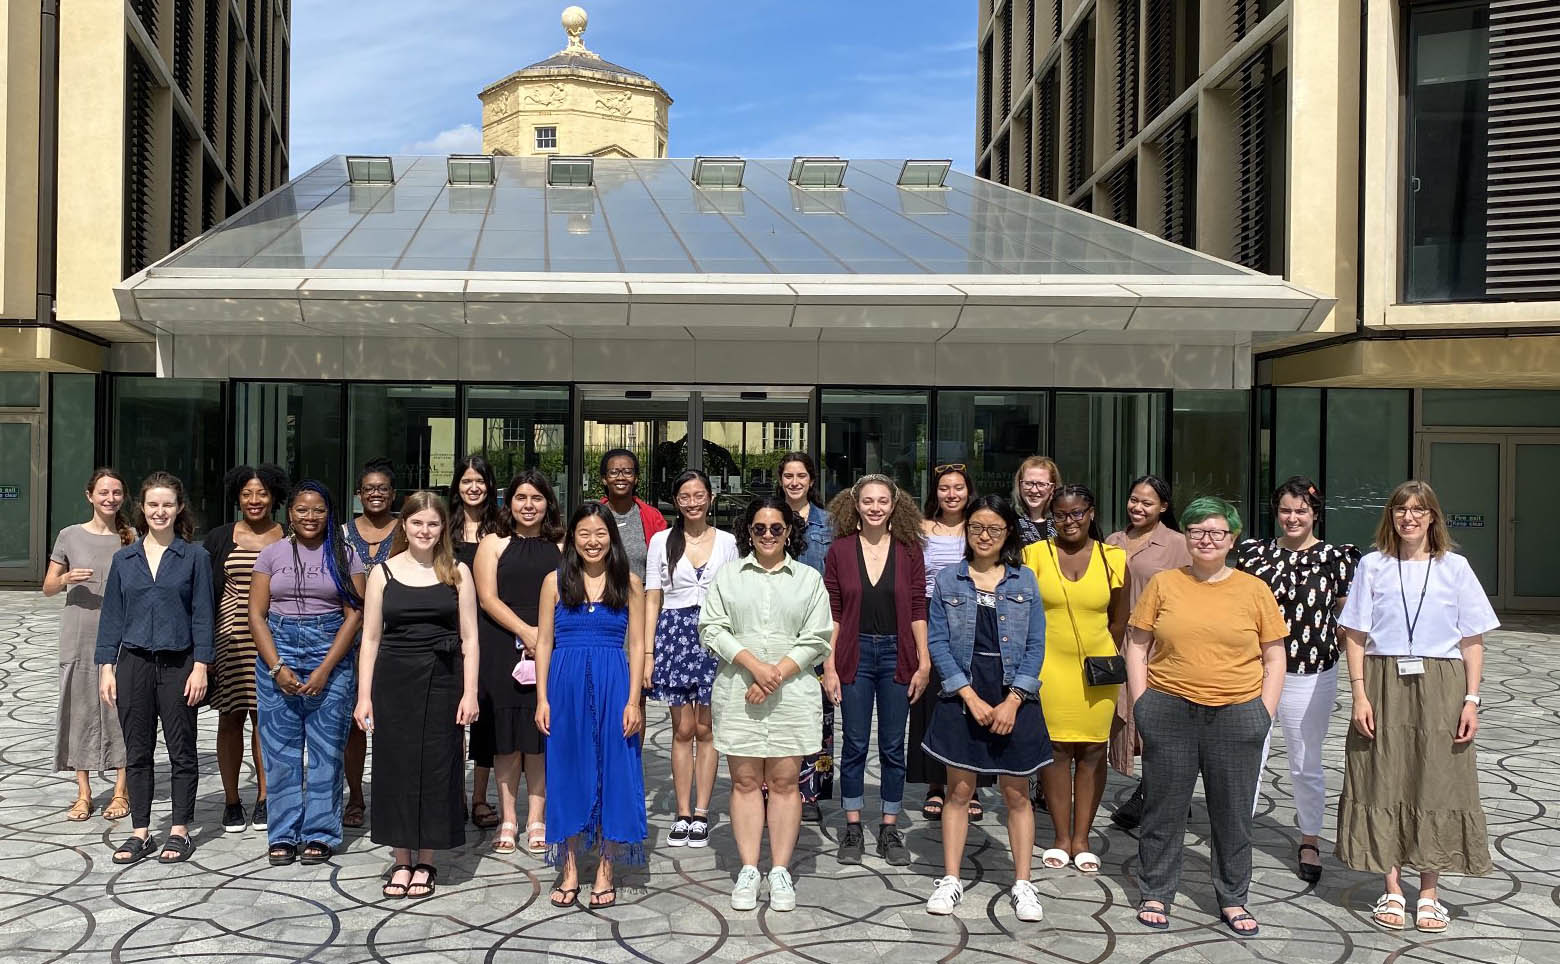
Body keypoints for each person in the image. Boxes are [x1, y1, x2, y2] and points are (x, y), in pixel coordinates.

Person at [1337, 480, 1497, 934]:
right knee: (1382, 778)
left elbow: (1472, 640)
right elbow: (1355, 635)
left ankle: (1429, 891)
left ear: (1432, 517)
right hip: (1383, 680)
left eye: (1418, 510)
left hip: (1442, 684)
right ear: (1391, 516)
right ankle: (1392, 887)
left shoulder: (1456, 567)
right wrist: (1360, 694)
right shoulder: (1372, 565)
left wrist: (1471, 699)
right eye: (1401, 510)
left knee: (1437, 782)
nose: (1409, 517)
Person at [1125, 497, 1287, 936]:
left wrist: (1262, 714)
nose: (1207, 539)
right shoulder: (1165, 584)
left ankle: (1233, 897)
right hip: (1170, 708)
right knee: (1164, 808)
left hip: (1237, 714)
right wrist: (1143, 705)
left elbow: (1275, 656)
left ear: (1232, 539)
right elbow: (1137, 645)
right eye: (1198, 531)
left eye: (1217, 532)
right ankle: (1156, 890)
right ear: (1188, 536)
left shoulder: (1254, 590)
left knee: (1232, 813)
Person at [699, 496, 833, 911]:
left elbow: (817, 637)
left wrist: (775, 674)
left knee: (785, 783)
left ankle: (779, 870)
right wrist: (755, 666)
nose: (769, 535)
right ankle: (748, 868)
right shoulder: (728, 576)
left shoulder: (809, 579)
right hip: (740, 691)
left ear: (790, 531)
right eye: (760, 528)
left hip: (791, 695)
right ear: (749, 532)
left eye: (777, 528)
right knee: (743, 782)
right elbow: (712, 627)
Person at [921, 495, 1050, 923]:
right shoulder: (948, 580)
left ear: (1008, 532)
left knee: (1017, 793)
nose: (984, 535)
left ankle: (1023, 883)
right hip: (964, 693)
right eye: (976, 527)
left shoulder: (1025, 580)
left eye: (994, 528)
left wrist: (1014, 701)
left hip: (1015, 692)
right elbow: (938, 642)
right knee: (959, 790)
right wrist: (969, 696)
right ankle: (951, 878)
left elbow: (1035, 646)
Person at [353, 491, 480, 899]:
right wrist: (364, 696)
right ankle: (401, 858)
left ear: (444, 528)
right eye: (417, 522)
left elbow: (470, 639)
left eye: (433, 523)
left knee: (438, 767)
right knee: (395, 768)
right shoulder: (382, 573)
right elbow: (370, 639)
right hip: (393, 681)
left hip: (444, 679)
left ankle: (426, 859)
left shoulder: (457, 571)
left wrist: (470, 692)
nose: (425, 530)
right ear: (404, 526)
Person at [1234, 476, 1359, 884]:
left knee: (1306, 760)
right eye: (1286, 510)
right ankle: (1237, 836)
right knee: (1249, 754)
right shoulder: (1254, 554)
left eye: (1301, 510)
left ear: (1315, 514)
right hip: (1254, 671)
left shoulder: (1337, 558)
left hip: (1311, 672)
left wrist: (1345, 656)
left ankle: (1309, 837)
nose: (1292, 517)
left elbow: (1348, 618)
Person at [95, 471, 213, 865]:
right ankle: (140, 831)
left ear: (179, 508)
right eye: (152, 504)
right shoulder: (124, 559)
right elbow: (111, 615)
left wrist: (201, 666)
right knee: (138, 751)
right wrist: (105, 667)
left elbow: (202, 615)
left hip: (180, 663)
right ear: (141, 509)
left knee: (182, 749)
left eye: (167, 504)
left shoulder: (194, 556)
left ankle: (179, 830)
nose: (159, 511)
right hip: (134, 663)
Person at [535, 504, 647, 910]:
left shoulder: (629, 581)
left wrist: (634, 700)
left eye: (600, 533)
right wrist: (542, 697)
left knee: (614, 770)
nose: (593, 541)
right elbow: (544, 642)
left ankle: (605, 869)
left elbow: (636, 645)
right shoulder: (554, 581)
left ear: (612, 538)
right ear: (571, 538)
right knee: (566, 771)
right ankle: (567, 868)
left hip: (614, 680)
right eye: (584, 533)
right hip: (564, 683)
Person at [250, 481, 367, 865]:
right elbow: (256, 614)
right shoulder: (271, 554)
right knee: (280, 751)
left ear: (330, 514)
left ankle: (319, 833)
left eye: (318, 510)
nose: (310, 517)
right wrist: (276, 666)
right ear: (290, 513)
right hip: (278, 649)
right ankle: (282, 834)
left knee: (325, 751)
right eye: (302, 509)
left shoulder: (345, 555)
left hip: (330, 651)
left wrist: (324, 670)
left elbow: (356, 614)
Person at [822, 474, 930, 867]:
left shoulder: (909, 549)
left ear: (894, 504)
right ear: (855, 504)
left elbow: (918, 606)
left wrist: (924, 660)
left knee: (891, 748)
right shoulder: (839, 551)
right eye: (867, 501)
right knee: (853, 746)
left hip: (897, 655)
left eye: (882, 501)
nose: (875, 507)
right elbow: (833, 611)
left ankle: (888, 825)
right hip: (855, 653)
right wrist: (829, 664)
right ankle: (852, 825)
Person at [1024, 484, 1126, 875]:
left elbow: (1119, 617)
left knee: (1093, 750)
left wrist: (1105, 657)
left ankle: (1082, 838)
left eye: (1077, 513)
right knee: (1056, 749)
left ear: (1091, 513)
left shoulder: (1113, 557)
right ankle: (1059, 837)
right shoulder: (1034, 554)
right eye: (1061, 515)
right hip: (1049, 664)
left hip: (1098, 670)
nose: (1069, 521)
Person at [645, 470, 738, 848]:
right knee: (682, 729)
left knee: (708, 729)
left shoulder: (728, 542)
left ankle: (701, 812)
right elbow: (653, 595)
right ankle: (682, 813)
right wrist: (649, 651)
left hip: (715, 636)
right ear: (676, 500)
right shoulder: (661, 541)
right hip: (675, 635)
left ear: (711, 498)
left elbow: (734, 594)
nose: (693, 502)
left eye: (699, 495)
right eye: (685, 495)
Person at [472, 469, 563, 856]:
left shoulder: (560, 545)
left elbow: (569, 593)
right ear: (508, 503)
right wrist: (526, 633)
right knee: (506, 737)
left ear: (548, 503)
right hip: (501, 642)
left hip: (552, 643)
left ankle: (537, 817)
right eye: (521, 498)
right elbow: (487, 598)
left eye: (537, 498)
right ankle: (509, 817)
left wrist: (543, 636)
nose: (529, 506)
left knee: (540, 735)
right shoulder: (492, 543)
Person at [204, 463, 288, 834]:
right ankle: (232, 800)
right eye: (247, 493)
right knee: (231, 717)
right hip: (230, 639)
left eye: (262, 493)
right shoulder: (221, 537)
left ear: (275, 497)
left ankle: (265, 798)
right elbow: (205, 594)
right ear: (237, 497)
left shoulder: (289, 535)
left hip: (274, 637)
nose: (255, 500)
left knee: (266, 719)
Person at [45, 468, 134, 822]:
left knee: (121, 711)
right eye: (103, 492)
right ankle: (83, 793)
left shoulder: (132, 538)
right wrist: (66, 578)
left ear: (123, 497)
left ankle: (121, 790)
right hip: (79, 635)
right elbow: (48, 587)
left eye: (116, 492)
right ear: (89, 496)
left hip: (123, 637)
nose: (109, 498)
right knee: (79, 710)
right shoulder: (69, 536)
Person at [1103, 474, 1190, 827]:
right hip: (1115, 643)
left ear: (1164, 507)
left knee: (1158, 725)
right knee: (1125, 721)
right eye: (1134, 499)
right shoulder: (1113, 541)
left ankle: (1156, 795)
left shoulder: (1178, 544)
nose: (1138, 507)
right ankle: (1158, 791)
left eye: (1147, 502)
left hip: (1159, 647)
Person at [912, 464, 978, 823]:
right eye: (943, 488)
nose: (951, 494)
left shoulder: (978, 526)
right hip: (931, 613)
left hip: (974, 616)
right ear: (934, 493)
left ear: (969, 491)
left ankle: (972, 784)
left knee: (973, 698)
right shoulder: (922, 529)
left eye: (958, 488)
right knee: (933, 702)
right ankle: (935, 783)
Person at [776, 452, 835, 822]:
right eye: (788, 475)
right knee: (778, 714)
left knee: (817, 715)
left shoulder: (829, 523)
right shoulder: (769, 517)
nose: (794, 482)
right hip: (776, 629)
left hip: (816, 629)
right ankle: (777, 788)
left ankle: (810, 794)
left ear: (811, 480)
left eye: (801, 475)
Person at [341, 457, 400, 829]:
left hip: (398, 638)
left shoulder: (407, 530)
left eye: (383, 488)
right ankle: (356, 797)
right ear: (358, 493)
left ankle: (392, 795)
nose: (375, 493)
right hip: (353, 639)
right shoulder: (343, 534)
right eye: (369, 488)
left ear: (394, 494)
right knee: (355, 724)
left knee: (395, 724)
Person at [450, 454, 503, 833]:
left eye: (480, 481)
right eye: (467, 480)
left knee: (484, 714)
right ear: (457, 485)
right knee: (449, 716)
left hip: (489, 630)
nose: (473, 487)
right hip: (446, 630)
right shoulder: (443, 526)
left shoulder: (501, 526)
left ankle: (481, 796)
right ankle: (452, 793)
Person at [598, 448, 668, 583]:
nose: (620, 477)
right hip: (600, 597)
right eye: (613, 472)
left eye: (627, 472)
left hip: (642, 597)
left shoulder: (652, 517)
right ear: (604, 479)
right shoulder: (593, 516)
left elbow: (665, 561)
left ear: (635, 478)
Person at [1012, 456, 1062, 546]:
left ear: (1052, 488)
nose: (1034, 490)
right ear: (1019, 485)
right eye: (1028, 483)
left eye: (1041, 484)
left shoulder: (1063, 522)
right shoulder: (1008, 521)